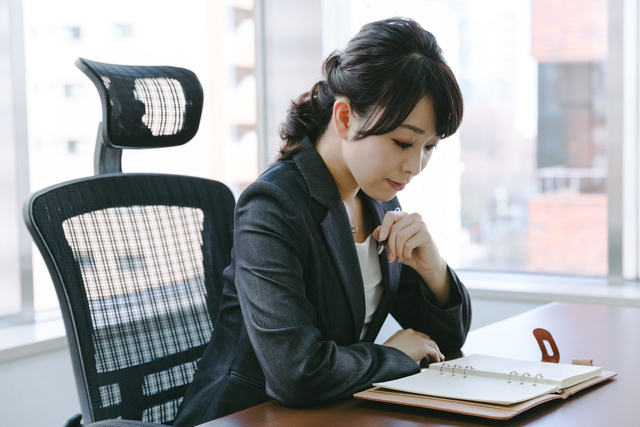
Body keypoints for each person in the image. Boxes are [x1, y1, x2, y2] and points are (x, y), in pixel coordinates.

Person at [173, 16, 471, 426]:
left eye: (429, 147)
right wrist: (396, 356)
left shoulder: (379, 200)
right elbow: (297, 373)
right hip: (242, 417)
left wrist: (434, 269)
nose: (415, 165)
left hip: (331, 414)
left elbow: (443, 342)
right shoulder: (273, 205)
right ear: (346, 118)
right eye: (403, 142)